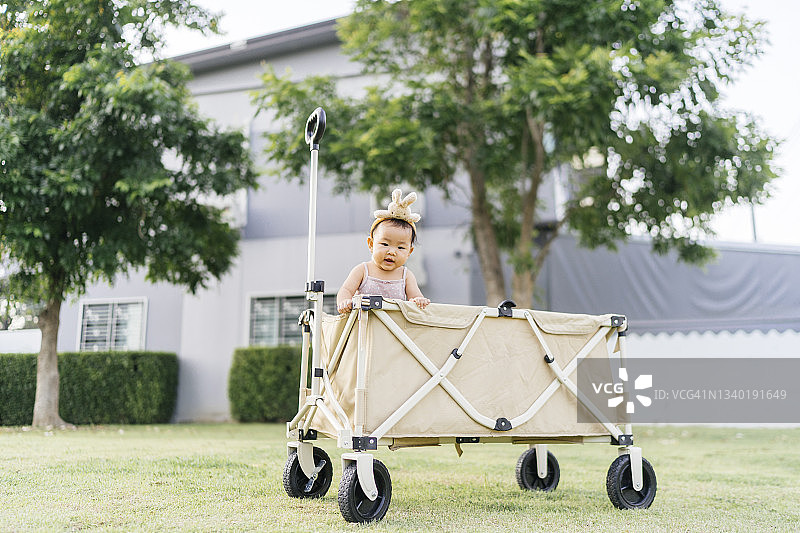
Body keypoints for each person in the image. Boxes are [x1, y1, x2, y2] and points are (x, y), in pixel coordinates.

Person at [337, 189, 431, 314]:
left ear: (409, 252)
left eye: (401, 247)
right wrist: (344, 301)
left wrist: (419, 301)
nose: (392, 252)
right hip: (366, 328)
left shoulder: (406, 276)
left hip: (395, 331)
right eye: (385, 244)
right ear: (371, 244)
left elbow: (415, 297)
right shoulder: (363, 271)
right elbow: (346, 290)